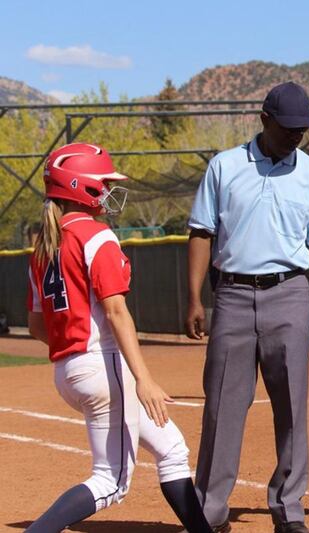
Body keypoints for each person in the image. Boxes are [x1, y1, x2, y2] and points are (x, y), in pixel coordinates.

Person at [25, 143, 211, 533]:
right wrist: (143, 378)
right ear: (82, 187)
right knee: (110, 482)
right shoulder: (96, 236)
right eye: (103, 182)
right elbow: (116, 312)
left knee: (172, 449)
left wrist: (77, 355)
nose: (108, 190)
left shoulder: (43, 248)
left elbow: (38, 328)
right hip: (104, 365)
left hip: (69, 369)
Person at [185, 81, 309, 533]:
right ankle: (209, 513)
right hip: (231, 296)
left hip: (291, 293)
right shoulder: (225, 166)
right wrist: (195, 297)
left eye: (303, 130)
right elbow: (201, 232)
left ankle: (288, 511)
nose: (297, 136)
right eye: (289, 128)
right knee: (221, 408)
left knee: (292, 407)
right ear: (264, 120)